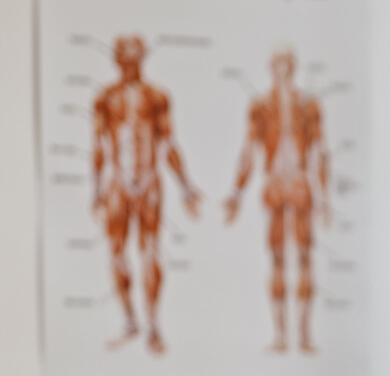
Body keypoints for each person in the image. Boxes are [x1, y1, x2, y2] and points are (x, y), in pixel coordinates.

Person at [93, 34, 202, 356]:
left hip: (149, 181)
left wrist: (186, 186)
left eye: (135, 58)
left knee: (151, 252)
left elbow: (168, 143)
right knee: (116, 252)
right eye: (124, 58)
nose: (130, 64)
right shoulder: (105, 98)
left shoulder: (157, 96)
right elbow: (99, 145)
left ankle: (153, 324)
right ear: (116, 60)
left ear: (142, 59)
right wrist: (96, 188)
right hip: (118, 182)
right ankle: (130, 321)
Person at [225, 46, 333, 355]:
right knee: (276, 259)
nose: (283, 72)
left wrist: (324, 198)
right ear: (272, 69)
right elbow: (249, 151)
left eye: (288, 66)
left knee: (304, 257)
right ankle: (280, 336)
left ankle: (304, 334)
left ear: (294, 69)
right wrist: (236, 194)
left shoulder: (308, 105)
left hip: (299, 182)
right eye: (278, 67)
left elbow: (320, 151)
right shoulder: (261, 106)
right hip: (274, 184)